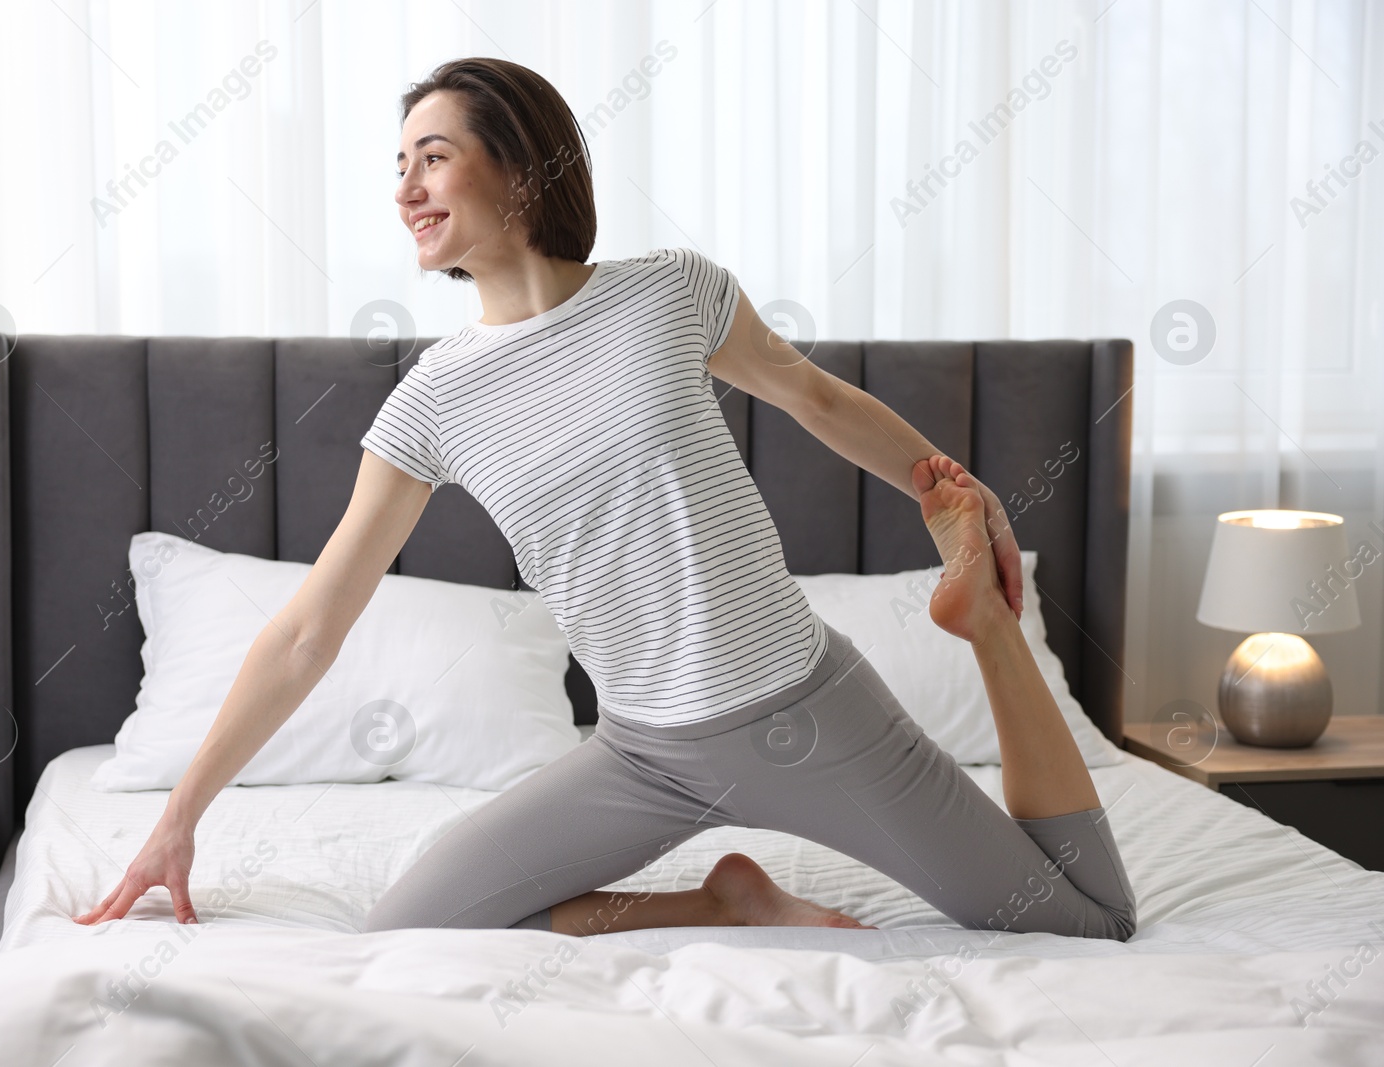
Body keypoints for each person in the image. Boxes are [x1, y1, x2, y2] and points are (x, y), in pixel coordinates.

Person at [76, 57, 1137, 942]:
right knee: (406, 932)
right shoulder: (430, 400)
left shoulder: (668, 291)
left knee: (1083, 920)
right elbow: (308, 628)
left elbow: (813, 395)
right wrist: (181, 815)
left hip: (806, 714)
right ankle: (725, 902)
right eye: (397, 166)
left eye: (432, 156)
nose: (404, 187)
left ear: (523, 167)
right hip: (646, 753)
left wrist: (953, 495)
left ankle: (987, 630)